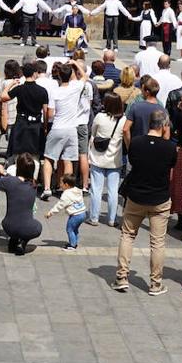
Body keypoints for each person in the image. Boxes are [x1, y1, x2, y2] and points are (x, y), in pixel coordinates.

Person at [113, 109, 176, 296]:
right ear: (164, 125)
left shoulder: (136, 143)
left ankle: (122, 277)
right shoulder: (169, 147)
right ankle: (155, 284)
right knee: (157, 242)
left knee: (127, 235)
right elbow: (171, 167)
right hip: (160, 198)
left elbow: (133, 161)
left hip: (136, 196)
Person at [0, 153, 43, 255]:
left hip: (8, 226)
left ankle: (14, 241)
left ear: (18, 167)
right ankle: (22, 242)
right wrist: (4, 173)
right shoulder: (34, 184)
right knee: (38, 227)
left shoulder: (9, 182)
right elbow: (18, 182)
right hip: (28, 228)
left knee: (16, 226)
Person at [41, 62, 84, 199]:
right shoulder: (76, 87)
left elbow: (51, 114)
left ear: (59, 75)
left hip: (58, 126)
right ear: (71, 75)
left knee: (49, 158)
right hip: (71, 129)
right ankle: (67, 190)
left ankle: (47, 188)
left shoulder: (55, 91)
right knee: (68, 160)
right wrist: (75, 63)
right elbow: (84, 76)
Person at [88, 92, 126, 227]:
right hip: (114, 159)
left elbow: (93, 133)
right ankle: (112, 219)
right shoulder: (123, 120)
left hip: (98, 157)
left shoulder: (99, 117)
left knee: (96, 189)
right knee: (113, 191)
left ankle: (93, 217)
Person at [46, 172, 87, 250]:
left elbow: (59, 205)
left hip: (75, 215)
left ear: (66, 185)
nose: (60, 184)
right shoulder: (77, 190)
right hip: (83, 213)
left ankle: (72, 245)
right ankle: (74, 242)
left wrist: (50, 213)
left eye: (61, 183)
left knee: (70, 229)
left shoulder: (66, 194)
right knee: (75, 229)